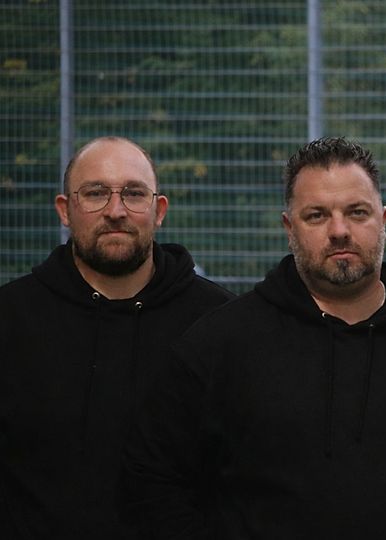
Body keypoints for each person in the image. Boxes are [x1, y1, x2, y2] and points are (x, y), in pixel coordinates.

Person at [121, 137, 386, 539]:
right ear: (289, 227)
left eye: (357, 213)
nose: (339, 231)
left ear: (383, 217)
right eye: (317, 215)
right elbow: (157, 480)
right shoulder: (221, 346)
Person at [0, 136, 235, 539]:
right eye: (95, 194)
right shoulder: (11, 318)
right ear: (65, 210)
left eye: (133, 194)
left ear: (159, 210)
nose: (115, 211)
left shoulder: (218, 323)